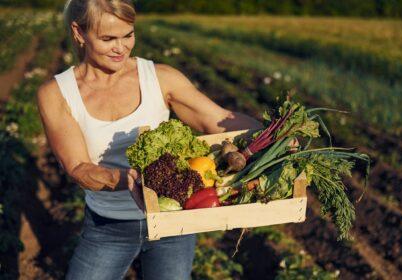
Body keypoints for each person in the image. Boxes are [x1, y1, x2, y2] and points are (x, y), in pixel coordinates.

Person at [36, 0, 264, 279]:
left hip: (174, 221)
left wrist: (272, 133)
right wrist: (129, 180)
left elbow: (214, 118)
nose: (121, 47)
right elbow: (78, 168)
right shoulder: (57, 93)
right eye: (108, 38)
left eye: (128, 35)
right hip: (108, 226)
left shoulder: (160, 77)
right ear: (79, 33)